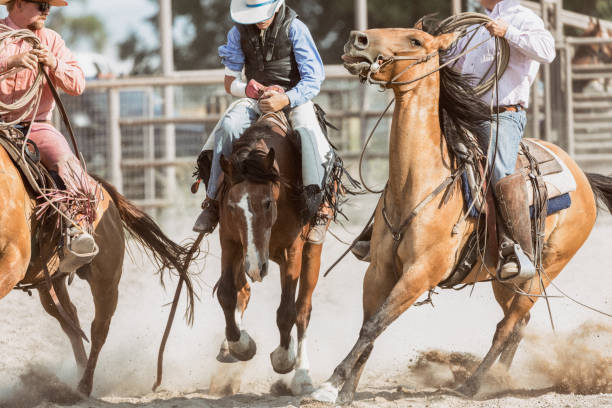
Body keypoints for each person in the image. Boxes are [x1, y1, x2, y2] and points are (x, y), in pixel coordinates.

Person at [192, 0, 335, 244]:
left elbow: (313, 80)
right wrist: (246, 89)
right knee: (228, 125)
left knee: (307, 130)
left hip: (293, 98)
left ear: (277, 6)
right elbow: (230, 83)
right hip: (255, 99)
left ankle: (320, 204)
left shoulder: (296, 29)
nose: (259, 19)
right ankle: (213, 201)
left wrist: (285, 99)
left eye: (263, 13)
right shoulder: (237, 32)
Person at [454, 0, 556, 280]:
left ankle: (514, 248)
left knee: (500, 170)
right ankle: (385, 227)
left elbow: (548, 52)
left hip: (502, 115)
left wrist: (508, 31)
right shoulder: (472, 25)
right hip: (466, 113)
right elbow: (456, 66)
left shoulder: (523, 18)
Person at [0, 0, 100, 273]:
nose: (47, 10)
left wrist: (54, 63)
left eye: (49, 6)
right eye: (41, 4)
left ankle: (75, 231)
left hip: (35, 126)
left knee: (66, 164)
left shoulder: (51, 40)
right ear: (18, 4)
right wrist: (10, 62)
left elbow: (77, 84)